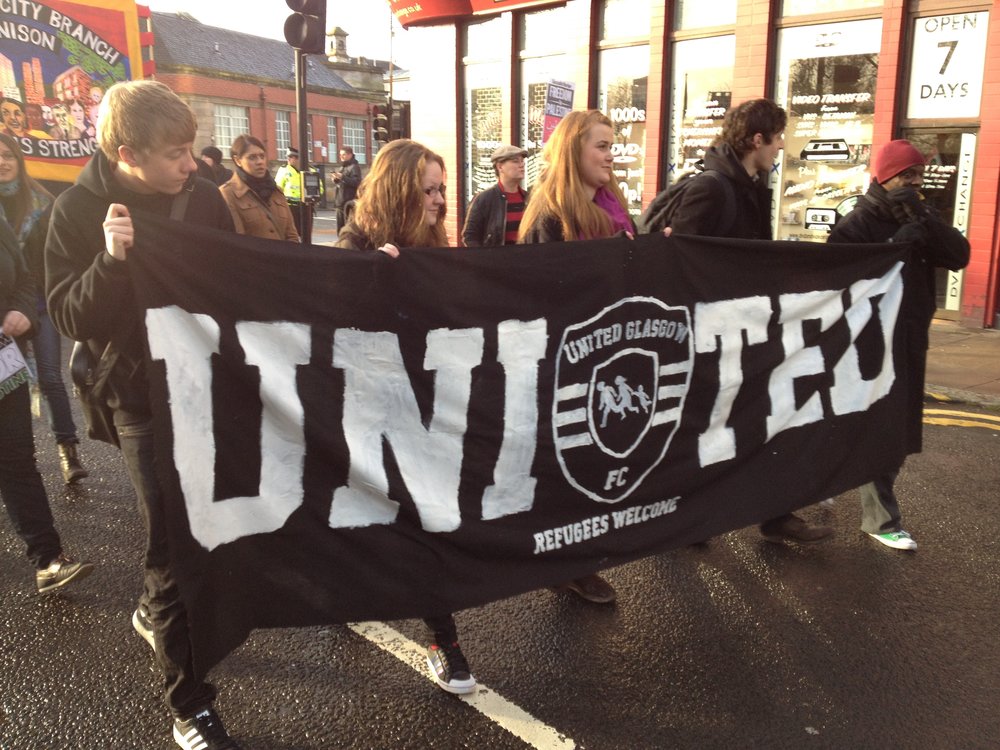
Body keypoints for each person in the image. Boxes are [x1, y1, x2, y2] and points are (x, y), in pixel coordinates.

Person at [45, 80, 242, 750]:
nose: (194, 164)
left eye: (192, 149)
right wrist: (111, 262)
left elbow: (249, 279)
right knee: (170, 549)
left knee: (219, 525)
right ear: (128, 154)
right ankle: (190, 706)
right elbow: (69, 314)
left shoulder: (206, 198)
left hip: (206, 387)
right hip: (137, 399)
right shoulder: (76, 210)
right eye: (177, 153)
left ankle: (158, 613)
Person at [335, 138, 476, 696]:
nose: (441, 201)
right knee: (371, 509)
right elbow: (327, 319)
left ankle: (442, 636)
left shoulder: (434, 241)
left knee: (427, 517)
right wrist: (371, 276)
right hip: (370, 405)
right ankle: (430, 629)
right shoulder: (354, 244)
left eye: (443, 189)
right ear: (398, 192)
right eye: (429, 190)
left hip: (427, 404)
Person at [663, 98, 834, 545]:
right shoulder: (713, 187)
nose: (782, 147)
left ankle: (775, 515)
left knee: (769, 416)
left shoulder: (751, 186)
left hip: (748, 328)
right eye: (778, 138)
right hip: (712, 337)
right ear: (757, 139)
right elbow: (681, 264)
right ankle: (686, 519)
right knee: (705, 428)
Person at [516, 109, 634, 604]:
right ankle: (568, 565)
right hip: (567, 362)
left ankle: (582, 557)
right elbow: (539, 297)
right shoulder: (550, 215)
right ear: (573, 152)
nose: (612, 155)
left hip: (610, 357)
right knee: (567, 466)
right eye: (602, 146)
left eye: (613, 145)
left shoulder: (616, 210)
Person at [829, 139, 970, 551]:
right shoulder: (857, 222)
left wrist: (926, 221)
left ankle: (855, 498)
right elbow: (838, 280)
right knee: (874, 425)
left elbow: (959, 256)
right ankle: (881, 517)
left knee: (896, 428)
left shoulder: (920, 216)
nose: (914, 182)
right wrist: (893, 247)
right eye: (906, 175)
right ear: (884, 177)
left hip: (910, 338)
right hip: (869, 342)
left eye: (919, 174)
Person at [0, 165, 93, 594]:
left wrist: (21, 309)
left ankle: (48, 559)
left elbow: (23, 274)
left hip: (4, 357)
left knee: (17, 457)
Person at [0, 133, 88, 484]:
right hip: (4, 317)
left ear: (20, 161)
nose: (3, 162)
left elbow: (55, 256)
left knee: (51, 377)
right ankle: (18, 461)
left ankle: (68, 451)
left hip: (39, 305)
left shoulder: (42, 202)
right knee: (10, 385)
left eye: (9, 155)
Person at [220, 134, 299, 242]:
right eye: (252, 157)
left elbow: (292, 235)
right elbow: (237, 241)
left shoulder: (277, 191)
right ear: (238, 160)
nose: (260, 162)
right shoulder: (227, 194)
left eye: (262, 156)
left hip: (283, 258)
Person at [462, 144, 528, 247]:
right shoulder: (484, 199)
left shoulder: (530, 199)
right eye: (515, 161)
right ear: (500, 166)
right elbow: (470, 236)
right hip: (496, 261)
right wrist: (485, 259)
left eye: (522, 161)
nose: (521, 165)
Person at [275, 146, 321, 237]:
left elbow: (320, 188)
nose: (288, 159)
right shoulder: (284, 170)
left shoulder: (311, 170)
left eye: (290, 157)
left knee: (306, 234)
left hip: (307, 207)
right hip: (290, 208)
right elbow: (277, 189)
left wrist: (313, 198)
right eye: (287, 157)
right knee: (292, 234)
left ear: (297, 158)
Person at [332, 146, 362, 230]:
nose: (341, 156)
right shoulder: (343, 167)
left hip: (348, 203)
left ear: (350, 155)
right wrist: (336, 180)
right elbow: (343, 183)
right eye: (340, 154)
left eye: (343, 154)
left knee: (347, 229)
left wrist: (343, 177)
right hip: (340, 202)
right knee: (340, 229)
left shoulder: (354, 167)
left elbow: (357, 182)